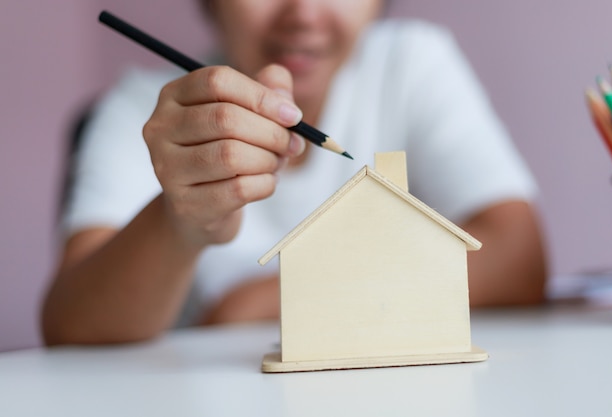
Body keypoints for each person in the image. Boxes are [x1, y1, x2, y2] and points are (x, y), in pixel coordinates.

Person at [42, 0, 547, 345]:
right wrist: (182, 222)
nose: (303, 14)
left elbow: (519, 259)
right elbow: (69, 328)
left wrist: (259, 303)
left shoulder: (411, 62)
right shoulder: (140, 109)